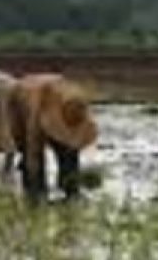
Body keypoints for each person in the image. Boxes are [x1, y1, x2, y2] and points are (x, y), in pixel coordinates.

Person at [8, 74, 98, 202]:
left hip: (55, 100)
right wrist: (38, 192)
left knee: (69, 151)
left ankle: (69, 187)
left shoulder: (74, 103)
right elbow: (33, 152)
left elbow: (74, 143)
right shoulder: (36, 107)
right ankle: (33, 192)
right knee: (30, 154)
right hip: (20, 104)